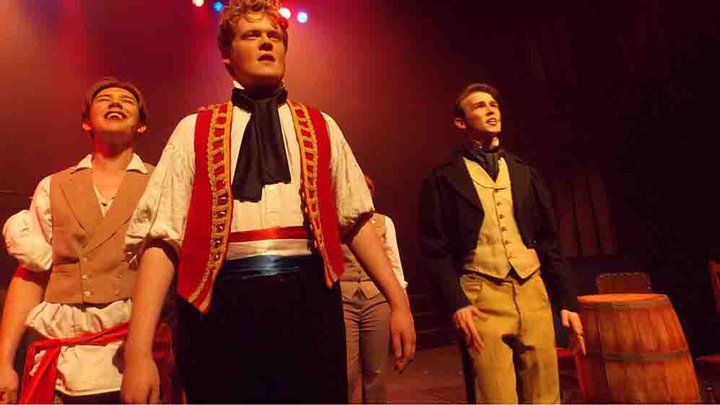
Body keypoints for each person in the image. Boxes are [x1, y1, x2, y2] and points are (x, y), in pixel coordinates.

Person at [119, 0, 415, 403]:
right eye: (251, 35)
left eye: (274, 36)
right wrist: (138, 353)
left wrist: (399, 303)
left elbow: (357, 220)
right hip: (219, 304)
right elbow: (162, 239)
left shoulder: (321, 126)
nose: (265, 43)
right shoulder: (195, 130)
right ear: (226, 55)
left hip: (309, 300)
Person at [418, 82, 585, 403]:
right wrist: (456, 303)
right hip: (481, 294)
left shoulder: (525, 173)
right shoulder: (442, 178)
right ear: (460, 122)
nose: (490, 109)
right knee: (495, 396)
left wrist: (566, 301)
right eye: (479, 106)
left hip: (532, 290)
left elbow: (549, 242)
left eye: (493, 104)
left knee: (546, 393)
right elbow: (434, 249)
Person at [0, 78, 153, 403]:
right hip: (63, 357)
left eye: (126, 100)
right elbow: (31, 274)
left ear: (141, 125)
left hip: (134, 355)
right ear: (86, 122)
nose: (115, 103)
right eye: (105, 99)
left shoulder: (161, 183)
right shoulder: (53, 187)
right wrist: (3, 362)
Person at [341, 175, 408, 403]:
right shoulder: (338, 219)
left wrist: (404, 309)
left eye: (368, 187)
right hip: (344, 298)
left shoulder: (383, 222)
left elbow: (395, 266)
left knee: (376, 371)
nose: (365, 190)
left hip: (376, 299)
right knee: (347, 372)